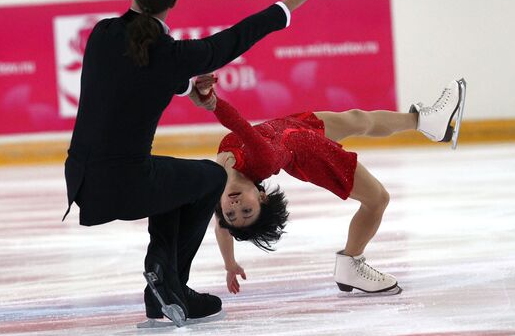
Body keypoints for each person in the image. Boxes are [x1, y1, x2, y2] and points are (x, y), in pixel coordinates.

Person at [62, 0, 328, 327]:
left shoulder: (101, 34)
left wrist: (187, 87)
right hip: (125, 182)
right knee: (211, 179)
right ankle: (174, 283)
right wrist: (288, 4)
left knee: (178, 182)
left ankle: (159, 290)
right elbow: (232, 40)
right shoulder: (172, 55)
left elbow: (134, 74)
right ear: (174, 1)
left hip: (82, 182)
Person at [192, 75, 465, 295]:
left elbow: (222, 228)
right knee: (378, 198)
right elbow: (238, 124)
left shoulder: (216, 184)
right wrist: (210, 100)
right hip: (307, 150)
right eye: (247, 212)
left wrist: (229, 264)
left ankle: (427, 122)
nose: (236, 206)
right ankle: (351, 262)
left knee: (359, 119)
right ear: (261, 197)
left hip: (288, 126)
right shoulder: (262, 162)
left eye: (232, 212)